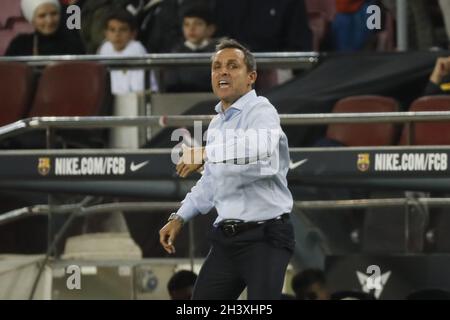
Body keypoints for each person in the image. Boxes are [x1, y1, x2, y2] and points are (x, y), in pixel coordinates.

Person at [159, 38, 295, 300]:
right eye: (217, 66)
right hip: (226, 241)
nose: (222, 71)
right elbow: (211, 181)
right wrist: (180, 217)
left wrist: (207, 152)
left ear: (251, 76)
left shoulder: (262, 109)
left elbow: (259, 147)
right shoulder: (217, 124)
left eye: (232, 66)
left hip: (265, 237)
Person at [98, 9, 157, 95]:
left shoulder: (136, 49)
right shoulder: (104, 48)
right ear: (106, 33)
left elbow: (138, 91)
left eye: (123, 29)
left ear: (133, 33)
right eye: (112, 30)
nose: (117, 34)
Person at [163, 5, 218, 92]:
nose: (191, 29)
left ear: (210, 29)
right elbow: (170, 85)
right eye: (186, 24)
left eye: (198, 24)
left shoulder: (218, 52)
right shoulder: (175, 53)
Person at [5, 0, 85, 56]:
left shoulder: (73, 43)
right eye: (42, 16)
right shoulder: (20, 45)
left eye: (54, 14)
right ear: (32, 19)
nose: (49, 21)